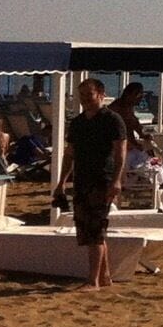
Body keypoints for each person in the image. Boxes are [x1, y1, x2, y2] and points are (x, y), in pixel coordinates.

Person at [57, 78, 125, 291]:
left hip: (102, 180)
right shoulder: (77, 123)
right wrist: (61, 182)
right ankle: (104, 277)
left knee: (95, 229)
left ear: (101, 95)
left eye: (90, 95)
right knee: (87, 230)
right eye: (83, 96)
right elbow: (70, 153)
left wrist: (116, 180)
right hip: (81, 180)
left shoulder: (112, 120)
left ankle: (92, 280)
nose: (86, 100)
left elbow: (120, 152)